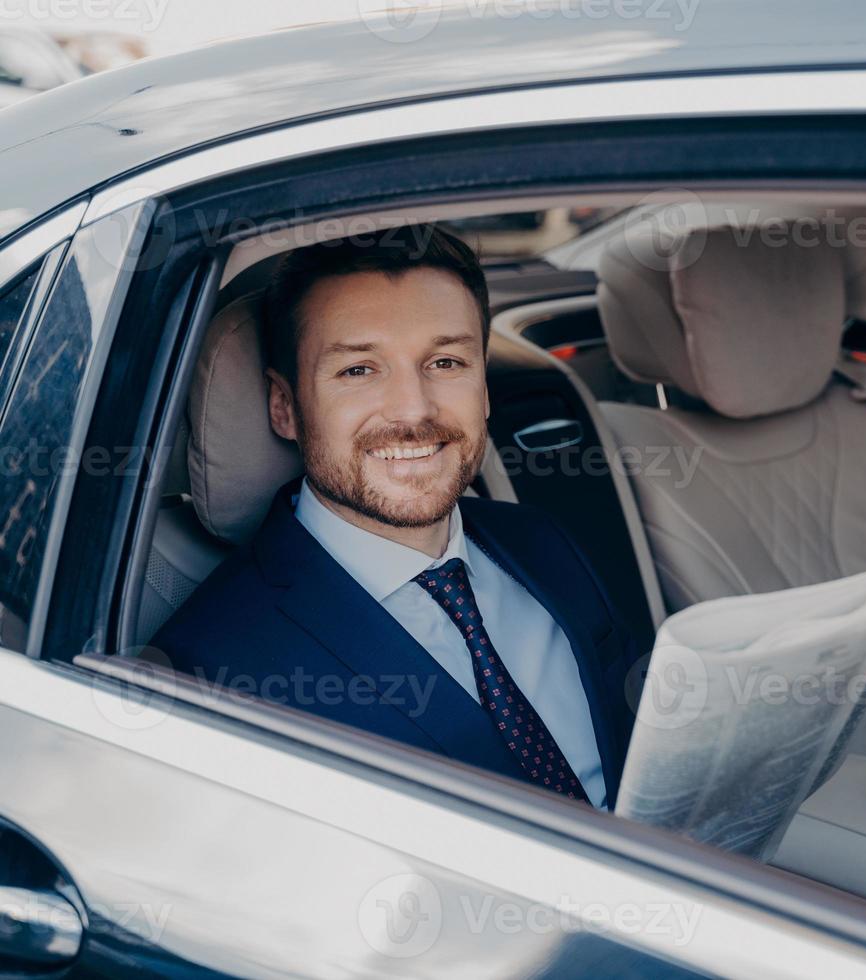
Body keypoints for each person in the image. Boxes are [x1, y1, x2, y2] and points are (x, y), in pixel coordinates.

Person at [154, 226, 638, 809]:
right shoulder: (212, 670)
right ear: (285, 407)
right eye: (359, 370)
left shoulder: (542, 541)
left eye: (445, 361)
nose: (414, 409)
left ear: (484, 387)